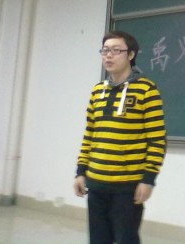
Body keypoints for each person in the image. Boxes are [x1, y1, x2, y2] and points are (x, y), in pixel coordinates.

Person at [73, 30, 166, 244]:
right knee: (98, 240)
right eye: (105, 50)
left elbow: (157, 140)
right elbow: (90, 135)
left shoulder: (146, 90)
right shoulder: (97, 91)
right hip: (96, 184)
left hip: (127, 187)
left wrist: (148, 180)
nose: (109, 55)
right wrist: (80, 171)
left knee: (126, 239)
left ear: (130, 55)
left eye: (116, 50)